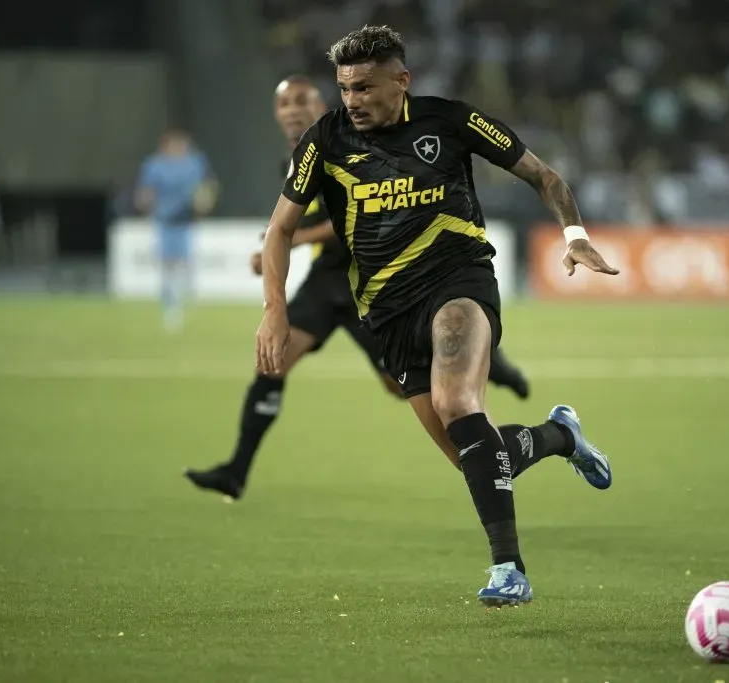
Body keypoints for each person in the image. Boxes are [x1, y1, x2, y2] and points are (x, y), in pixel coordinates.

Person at [256, 26, 619, 608]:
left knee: (457, 403)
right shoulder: (324, 141)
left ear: (402, 81)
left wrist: (574, 236)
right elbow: (279, 230)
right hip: (387, 314)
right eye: (345, 88)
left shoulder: (450, 121)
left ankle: (509, 570)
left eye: (366, 87)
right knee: (477, 459)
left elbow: (544, 176)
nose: (353, 100)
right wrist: (274, 310)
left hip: (459, 282)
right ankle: (559, 435)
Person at [184, 74, 531, 502]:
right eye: (283, 104)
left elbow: (358, 216)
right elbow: (294, 224)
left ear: (321, 105)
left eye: (301, 101)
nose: (292, 110)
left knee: (403, 384)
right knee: (272, 363)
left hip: (371, 284)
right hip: (324, 284)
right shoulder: (295, 162)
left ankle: (492, 366)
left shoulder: (348, 144)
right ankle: (236, 471)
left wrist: (297, 238)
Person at [135, 129, 217, 332]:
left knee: (187, 262)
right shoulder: (154, 165)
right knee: (167, 264)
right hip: (164, 221)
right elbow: (146, 192)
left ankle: (189, 298)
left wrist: (203, 203)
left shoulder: (194, 163)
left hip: (186, 221)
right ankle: (171, 306)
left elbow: (206, 187)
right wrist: (145, 205)